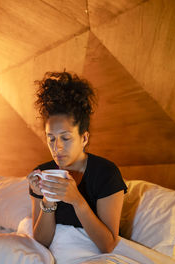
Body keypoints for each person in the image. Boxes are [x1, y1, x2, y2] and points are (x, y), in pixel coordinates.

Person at [27, 71, 127, 254]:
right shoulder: (42, 172)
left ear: (84, 138)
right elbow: (41, 242)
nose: (56, 147)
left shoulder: (106, 173)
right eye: (51, 139)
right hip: (54, 256)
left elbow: (108, 245)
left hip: (94, 259)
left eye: (65, 138)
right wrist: (47, 199)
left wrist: (77, 201)